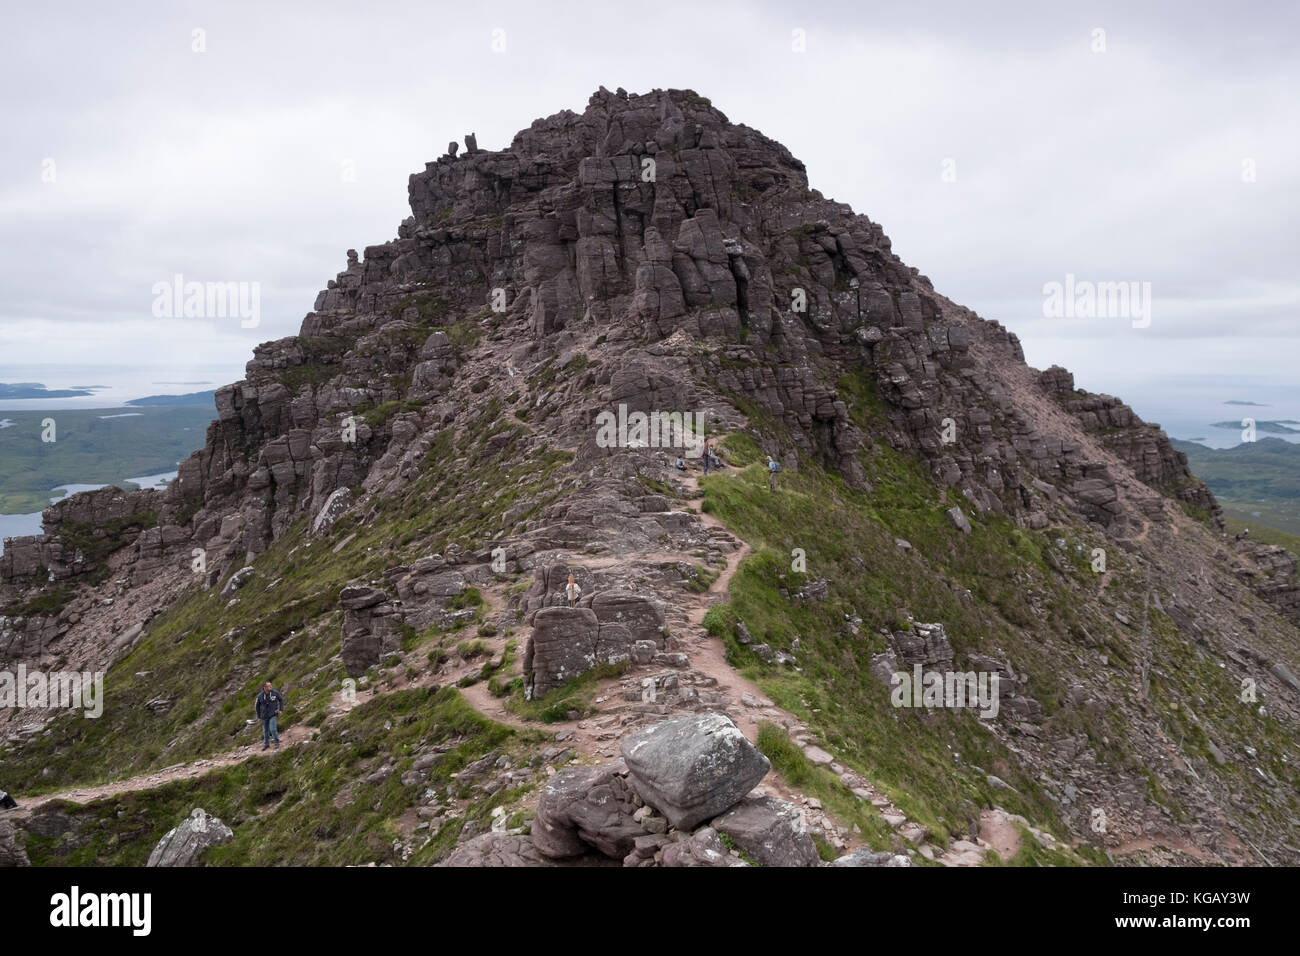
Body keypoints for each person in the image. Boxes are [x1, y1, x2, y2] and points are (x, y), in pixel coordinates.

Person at [255, 681, 285, 749]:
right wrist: (258, 717)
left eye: (270, 685)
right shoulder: (260, 696)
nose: (271, 687)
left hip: (273, 714)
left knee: (273, 729)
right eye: (269, 686)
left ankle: (276, 742)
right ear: (264, 687)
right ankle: (266, 744)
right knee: (265, 730)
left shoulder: (275, 693)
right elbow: (257, 707)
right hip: (264, 716)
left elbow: (281, 700)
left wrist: (281, 709)